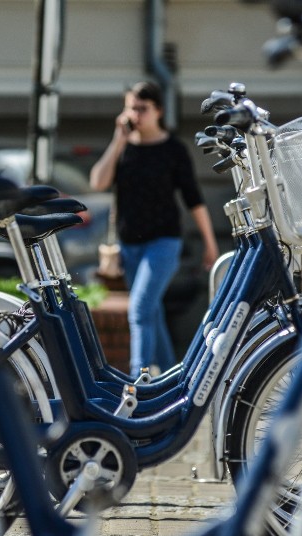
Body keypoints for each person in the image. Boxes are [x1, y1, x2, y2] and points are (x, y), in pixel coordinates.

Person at [90, 81, 219, 378]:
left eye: (142, 108)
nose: (135, 114)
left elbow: (194, 200)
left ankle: (138, 380)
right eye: (130, 107)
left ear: (158, 110)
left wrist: (210, 244)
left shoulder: (173, 149)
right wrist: (117, 141)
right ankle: (175, 377)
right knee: (152, 312)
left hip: (164, 244)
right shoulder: (124, 147)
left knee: (139, 309)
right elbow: (98, 182)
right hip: (129, 245)